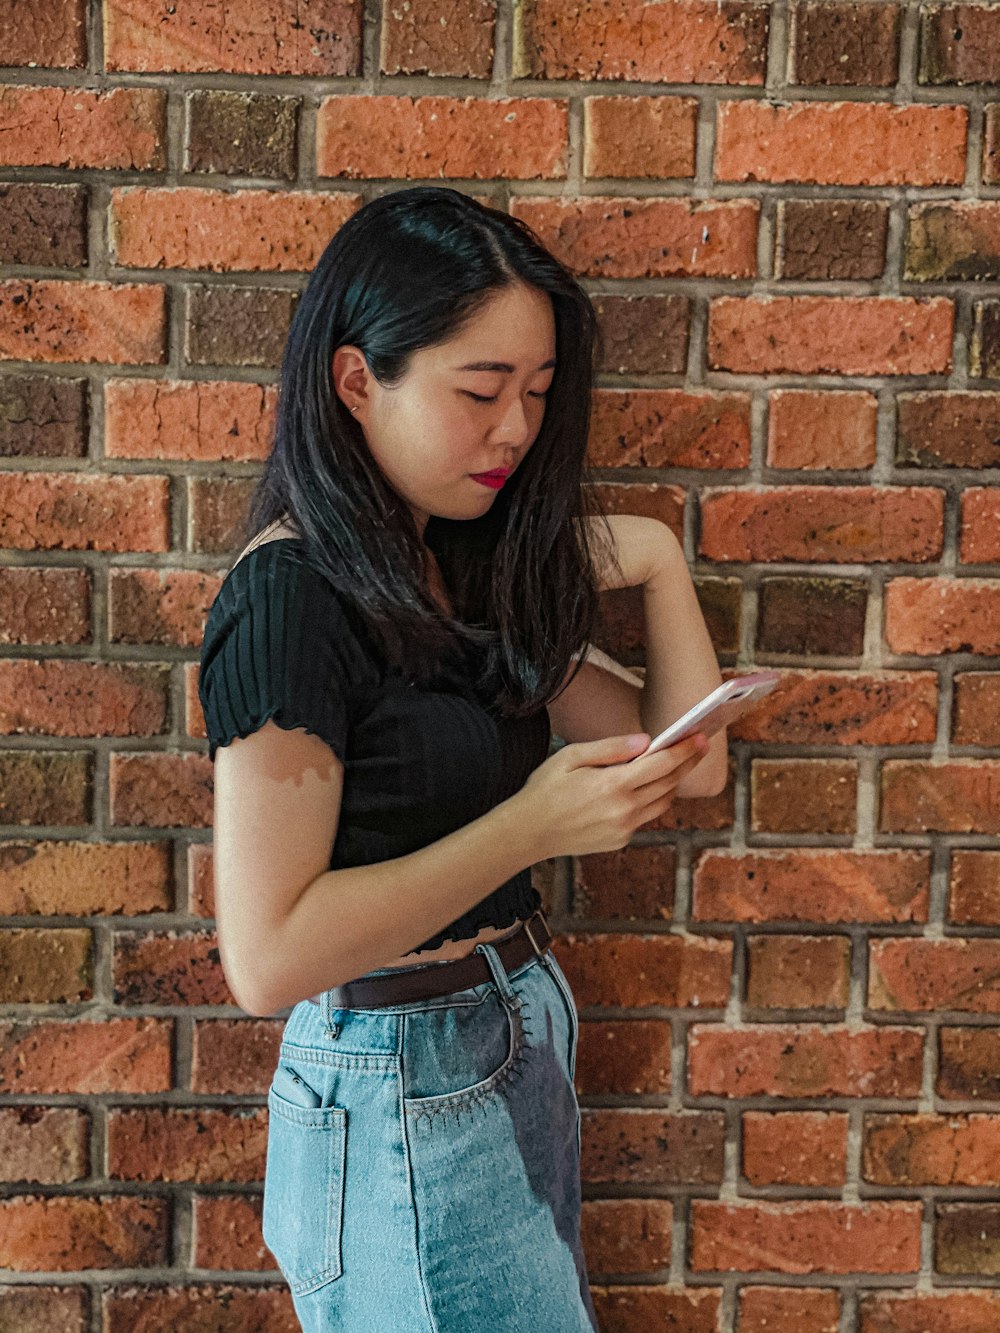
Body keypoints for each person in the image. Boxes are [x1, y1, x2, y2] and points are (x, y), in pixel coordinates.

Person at [197, 185, 725, 1332]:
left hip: (506, 1036)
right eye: (480, 391)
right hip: (396, 1073)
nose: (516, 431)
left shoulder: (458, 573)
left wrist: (660, 562)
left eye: (536, 395)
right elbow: (269, 955)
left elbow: (689, 764)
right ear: (355, 381)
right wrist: (530, 826)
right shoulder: (290, 601)